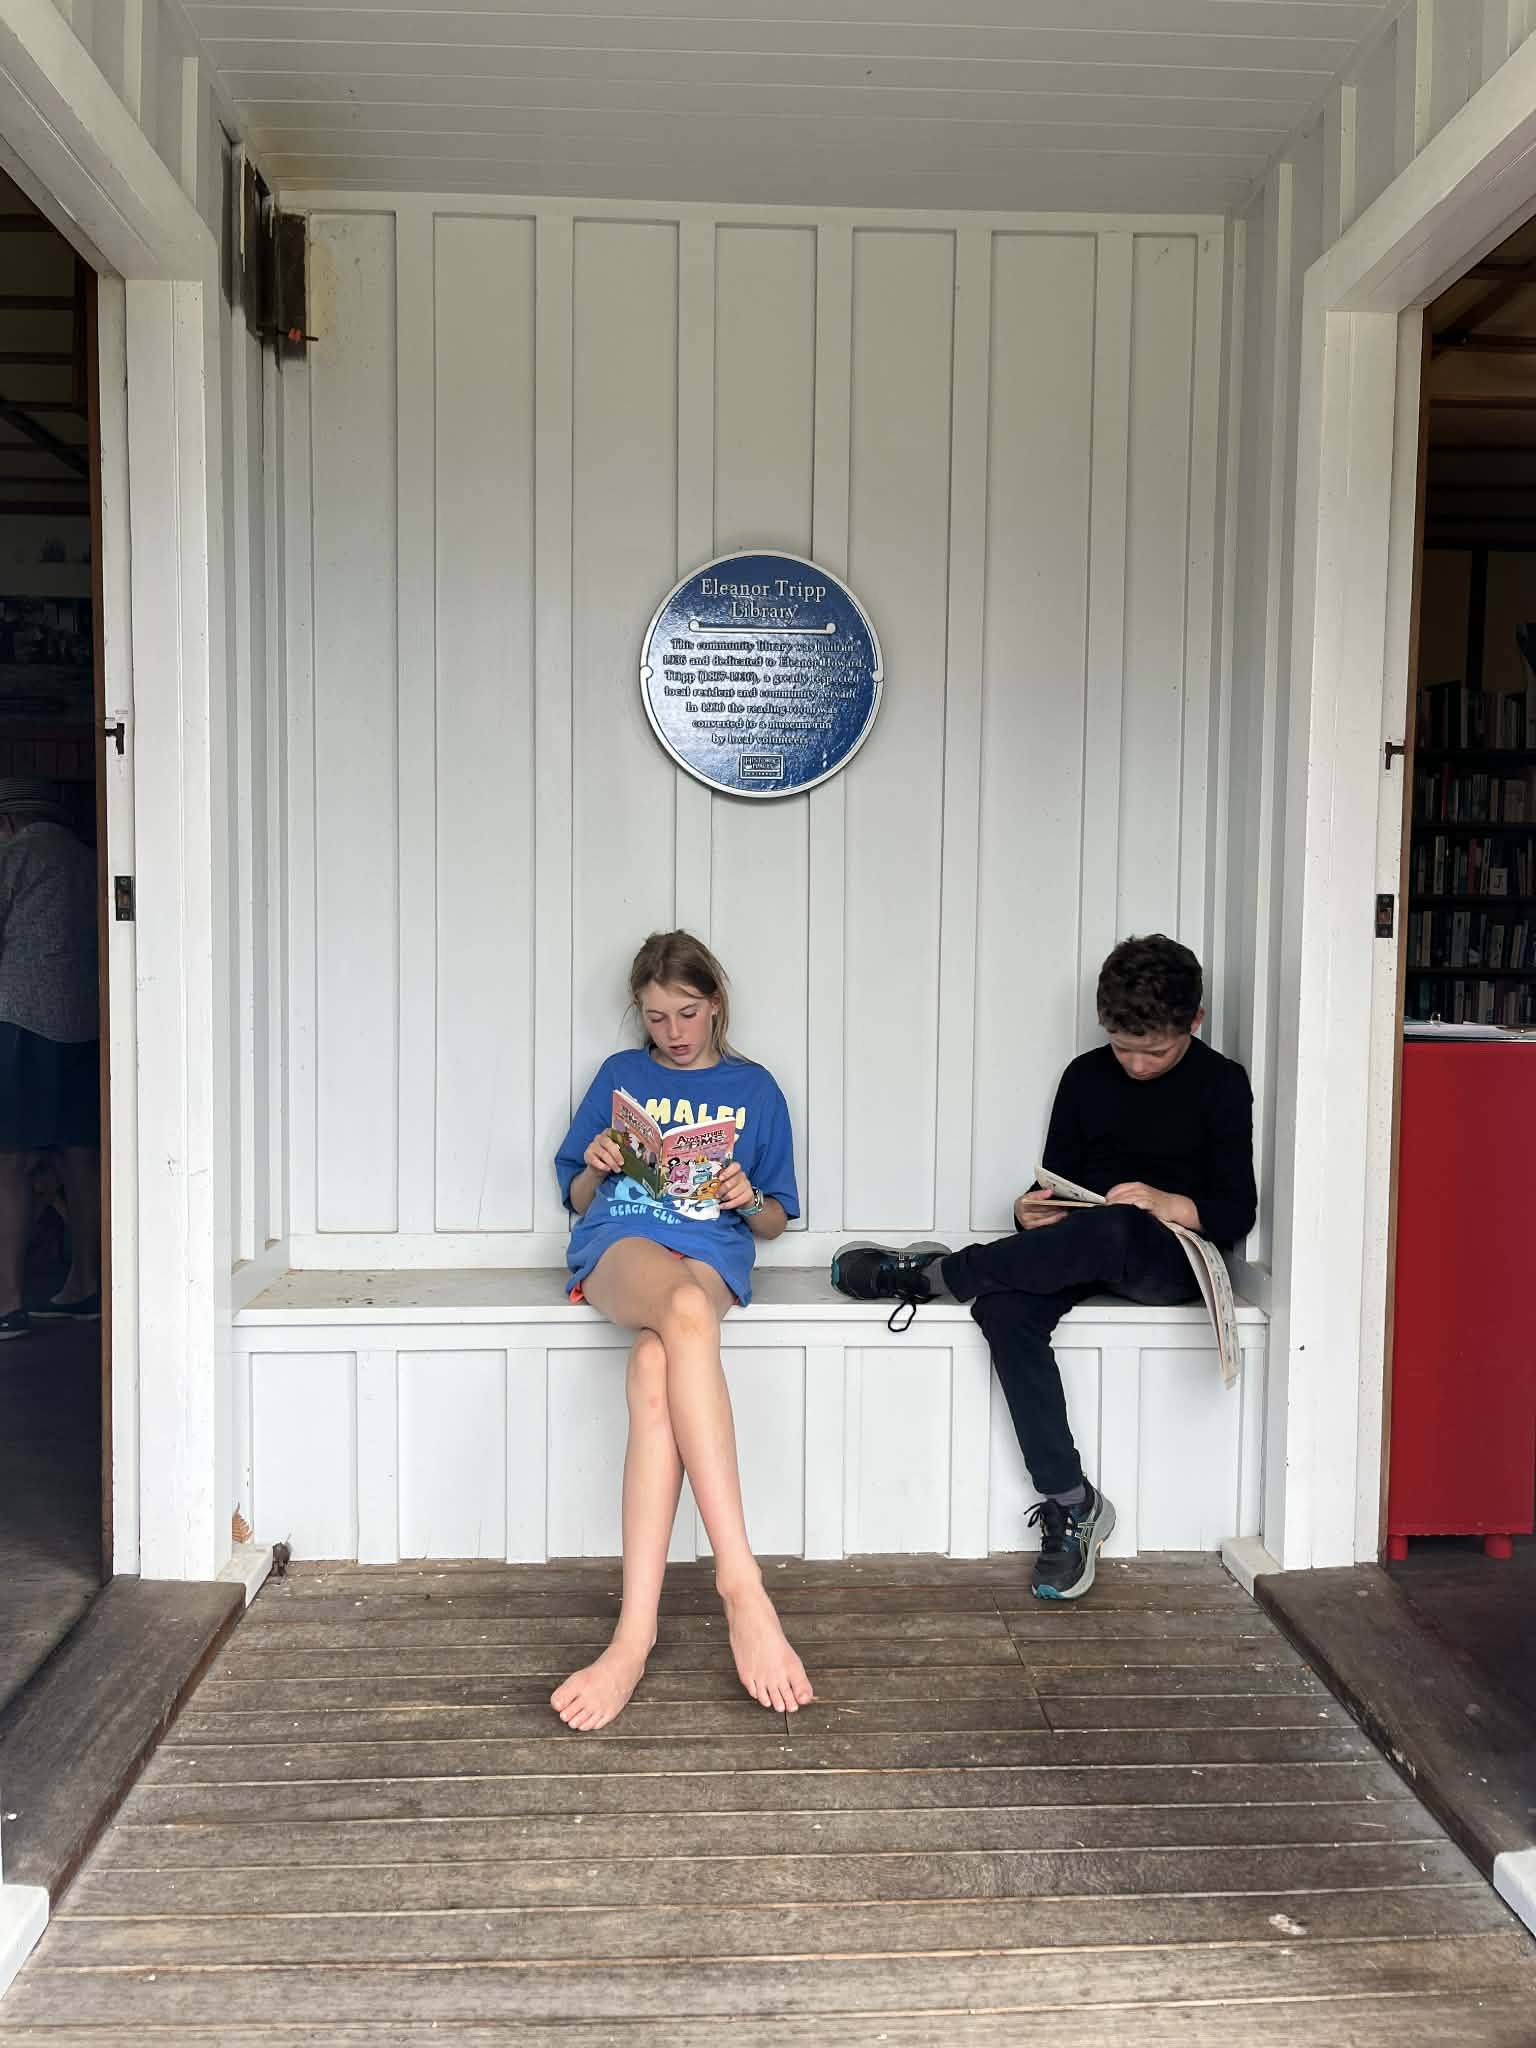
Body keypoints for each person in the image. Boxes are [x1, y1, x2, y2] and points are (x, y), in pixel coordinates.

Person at [830, 935, 1255, 1602]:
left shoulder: (1222, 1082)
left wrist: (1163, 1202)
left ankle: (934, 1276)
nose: (1139, 1065)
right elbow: (1059, 1184)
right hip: (1088, 1241)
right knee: (1002, 1307)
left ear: (1194, 1023)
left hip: (1168, 1256)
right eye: (1124, 1048)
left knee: (1116, 1225)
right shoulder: (1086, 1077)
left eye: (1158, 1051)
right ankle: (1071, 1502)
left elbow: (1236, 1211)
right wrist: (1030, 1214)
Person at [552, 930, 813, 1731]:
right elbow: (577, 1197)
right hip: (624, 1241)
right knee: (686, 1316)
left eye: (686, 1013)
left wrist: (741, 1194)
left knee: (651, 1369)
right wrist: (599, 1161)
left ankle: (633, 1639)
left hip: (711, 1248)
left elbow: (772, 1221)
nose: (671, 1031)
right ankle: (741, 1582)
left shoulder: (756, 1089)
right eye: (656, 1016)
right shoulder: (620, 1077)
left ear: (716, 1003)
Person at [0, 778, 100, 1341]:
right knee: (80, 1159)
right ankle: (85, 1286)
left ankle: (8, 1303)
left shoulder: (13, 856)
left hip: (20, 1024)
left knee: (9, 1163)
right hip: (87, 1025)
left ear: (8, 821)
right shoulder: (91, 861)